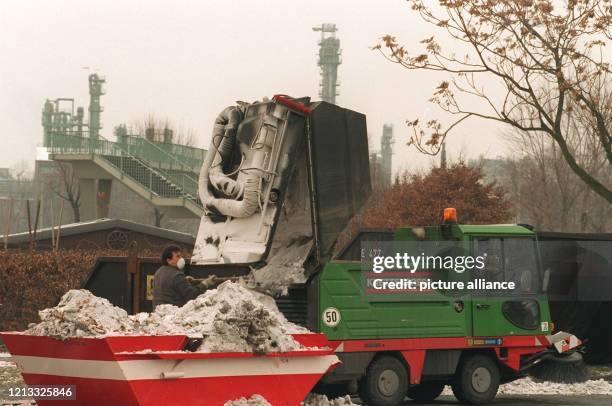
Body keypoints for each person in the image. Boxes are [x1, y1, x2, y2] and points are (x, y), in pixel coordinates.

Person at [152, 245, 217, 309]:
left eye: (181, 256)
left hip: (159, 312)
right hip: (172, 314)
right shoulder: (177, 275)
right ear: (169, 260)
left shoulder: (158, 272)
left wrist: (184, 280)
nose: (181, 259)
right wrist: (206, 283)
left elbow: (170, 286)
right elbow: (192, 295)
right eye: (178, 256)